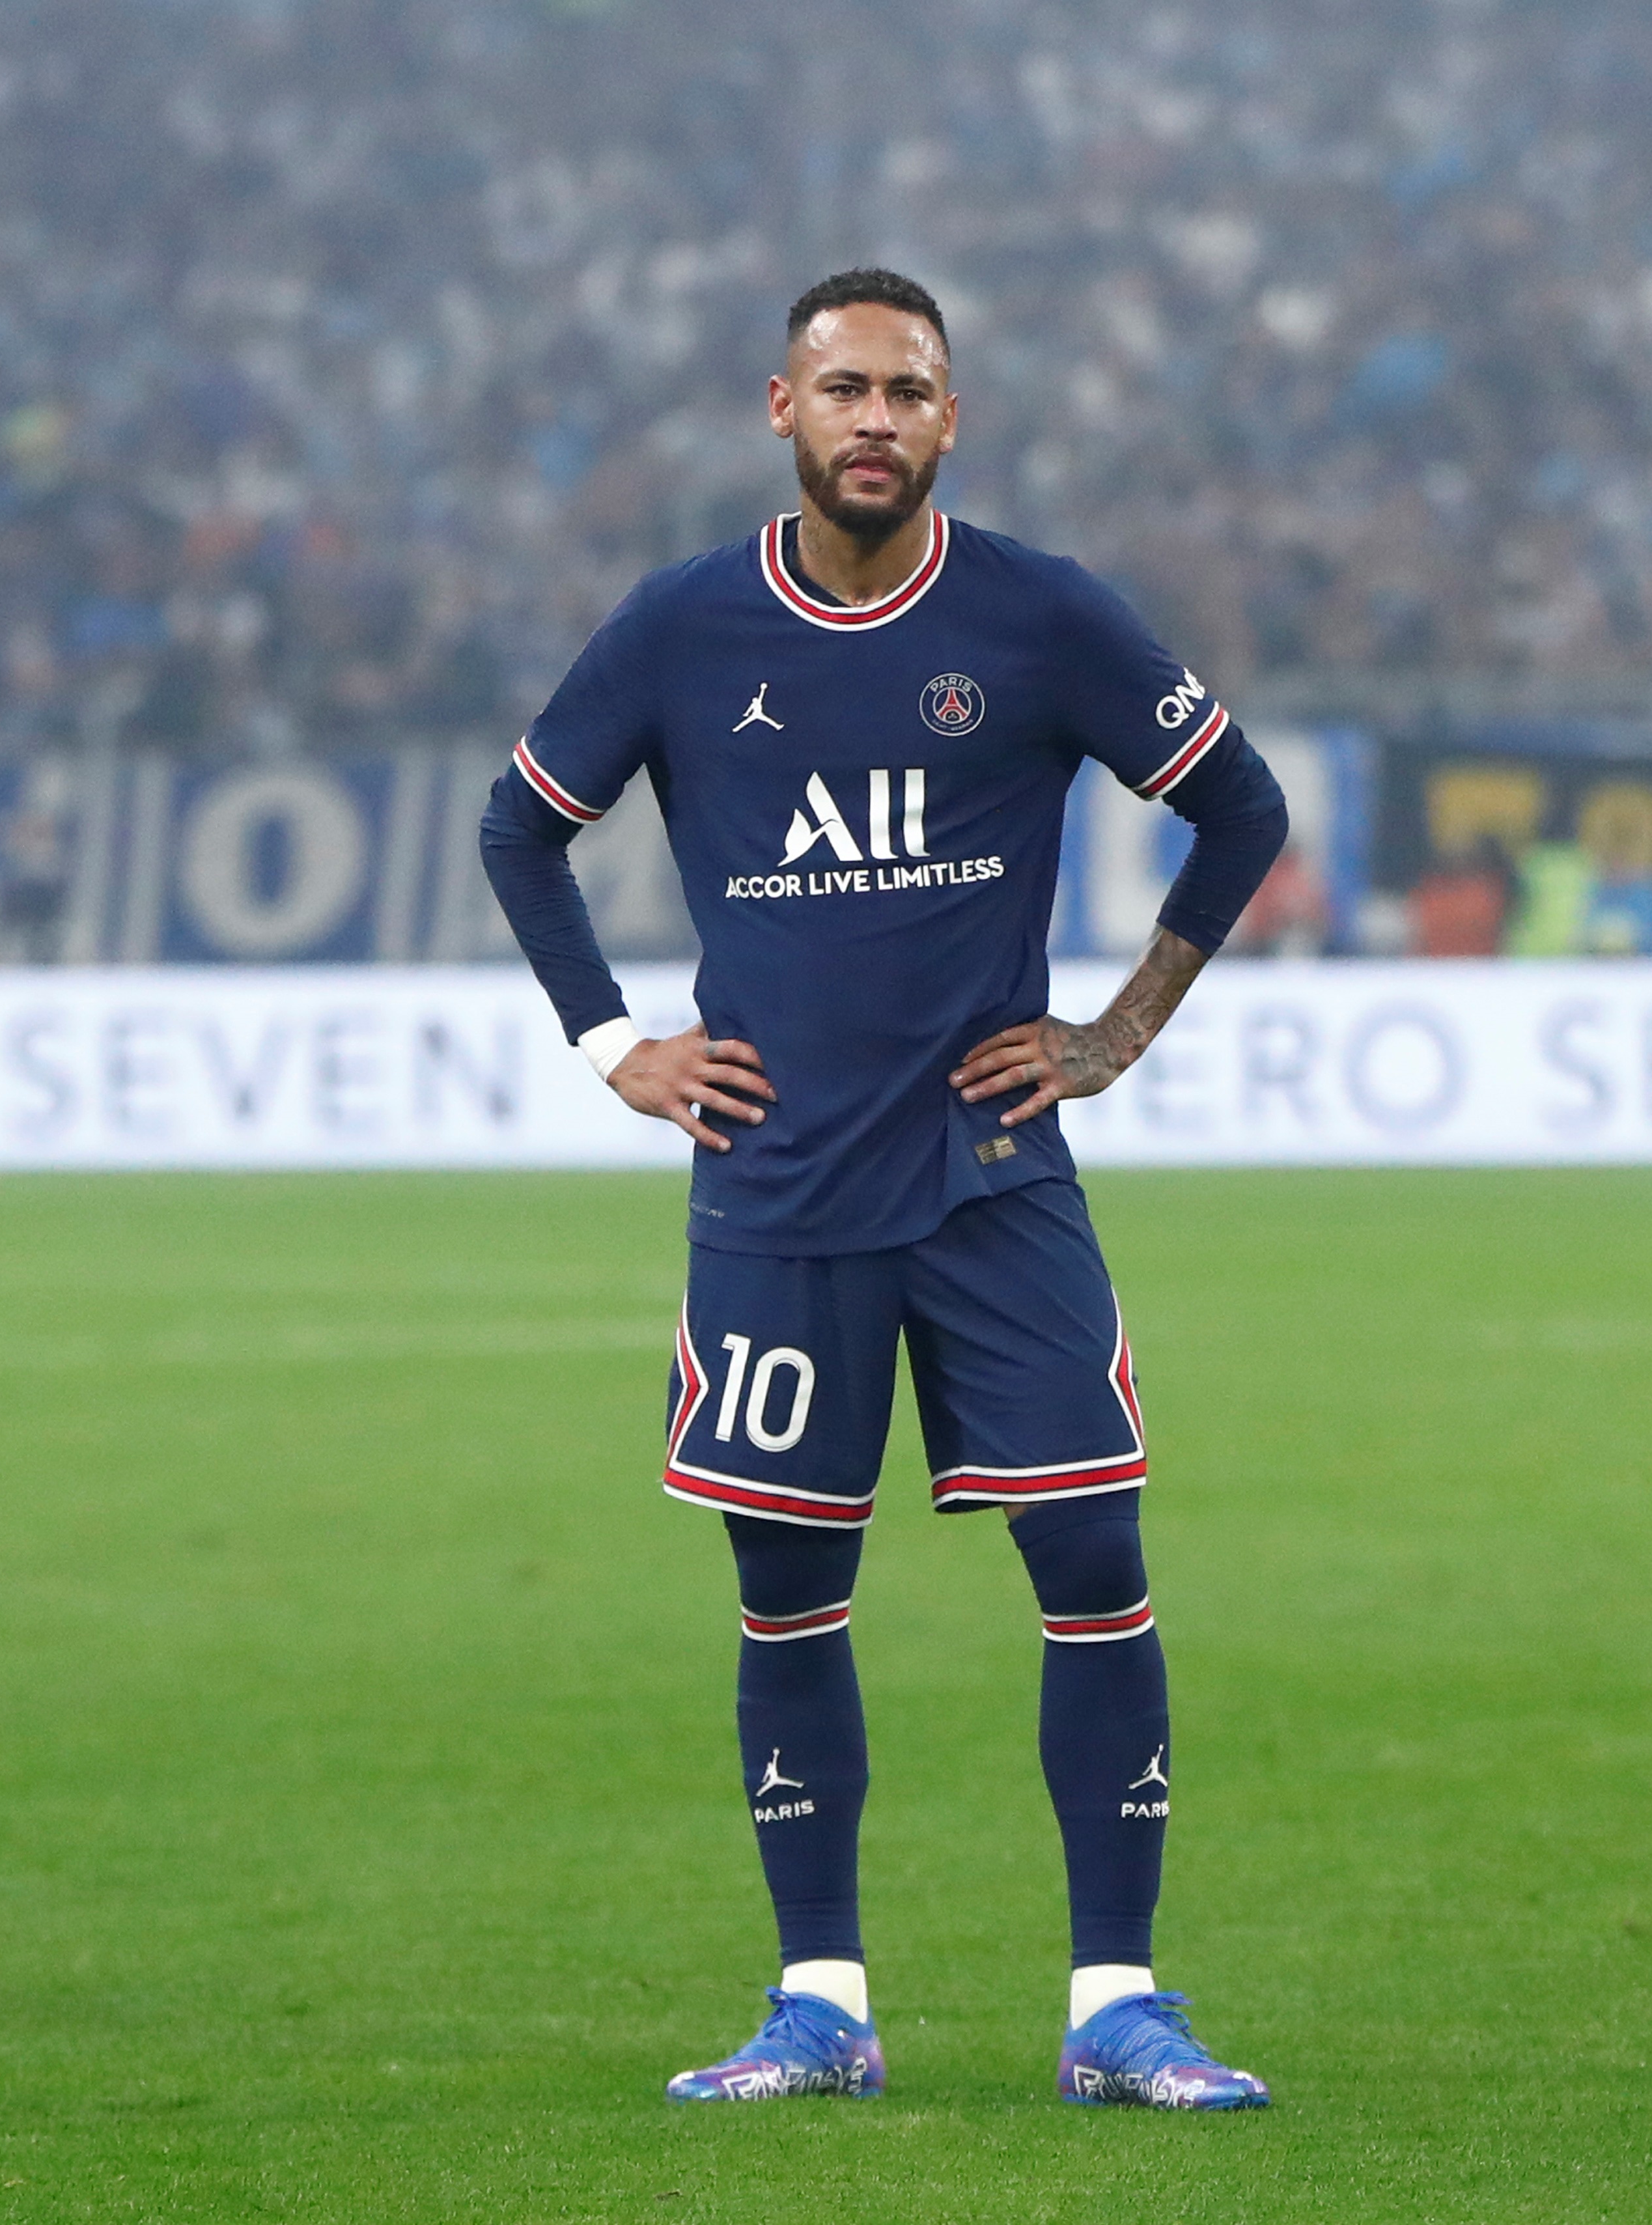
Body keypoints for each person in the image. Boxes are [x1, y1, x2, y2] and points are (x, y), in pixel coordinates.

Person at [481, 270, 1285, 2110]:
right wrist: (616, 1046)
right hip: (774, 1192)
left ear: (950, 419)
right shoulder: (684, 625)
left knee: (1094, 1564)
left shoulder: (1043, 615)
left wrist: (1119, 1030)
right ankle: (820, 2002)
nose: (875, 420)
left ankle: (1119, 2005)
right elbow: (523, 826)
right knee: (787, 1594)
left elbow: (1240, 805)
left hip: (1000, 1183)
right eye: (842, 388)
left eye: (908, 392)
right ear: (780, 408)